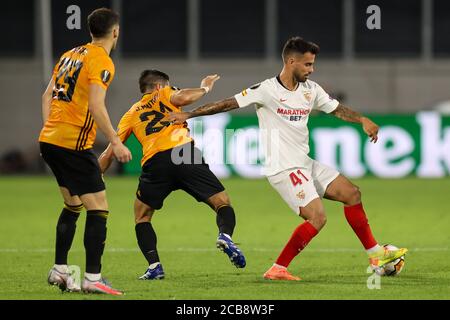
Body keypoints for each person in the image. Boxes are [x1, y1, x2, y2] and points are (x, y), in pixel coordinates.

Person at [168, 37, 408, 281]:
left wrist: (363, 120)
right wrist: (190, 113)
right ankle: (278, 268)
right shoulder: (266, 90)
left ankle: (376, 254)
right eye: (307, 65)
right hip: (283, 168)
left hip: (304, 163)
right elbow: (227, 103)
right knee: (317, 217)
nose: (311, 70)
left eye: (312, 64)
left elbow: (335, 108)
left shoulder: (311, 90)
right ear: (291, 61)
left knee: (351, 193)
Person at [98, 70, 246, 280]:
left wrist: (94, 178)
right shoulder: (165, 93)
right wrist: (205, 87)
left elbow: (110, 151)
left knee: (142, 216)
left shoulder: (131, 114)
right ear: (160, 86)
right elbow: (184, 97)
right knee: (222, 202)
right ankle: (225, 236)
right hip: (184, 153)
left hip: (155, 162)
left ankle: (154, 266)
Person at [39, 8, 131, 294]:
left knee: (73, 204)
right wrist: (115, 141)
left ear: (91, 30)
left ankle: (60, 270)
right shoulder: (101, 60)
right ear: (115, 32)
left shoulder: (70, 54)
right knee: (99, 208)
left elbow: (46, 96)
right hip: (72, 145)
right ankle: (93, 278)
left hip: (50, 139)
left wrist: (53, 131)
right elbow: (96, 105)